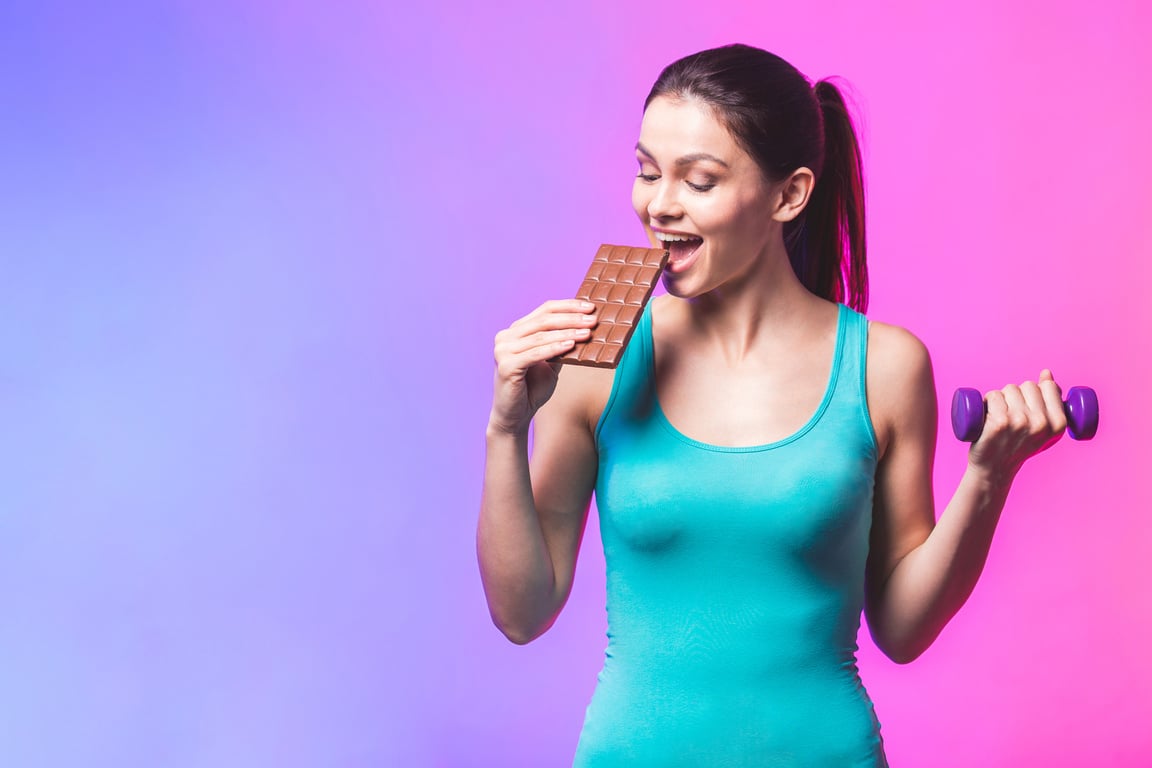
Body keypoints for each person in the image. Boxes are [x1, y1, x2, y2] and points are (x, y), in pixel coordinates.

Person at [477, 43, 1068, 767]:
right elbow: (521, 613)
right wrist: (507, 428)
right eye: (646, 172)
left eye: (698, 181)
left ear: (789, 195)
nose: (659, 206)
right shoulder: (598, 356)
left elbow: (903, 629)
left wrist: (988, 476)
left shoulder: (884, 365)